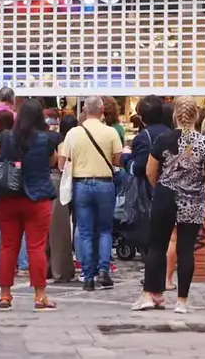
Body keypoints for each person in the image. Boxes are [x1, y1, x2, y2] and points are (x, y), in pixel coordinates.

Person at [132, 97, 205, 314]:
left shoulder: (163, 138)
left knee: (157, 246)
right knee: (186, 248)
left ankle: (153, 294)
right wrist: (196, 184)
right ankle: (182, 301)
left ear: (175, 115)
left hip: (165, 197)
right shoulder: (204, 142)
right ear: (196, 116)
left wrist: (162, 186)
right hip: (193, 199)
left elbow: (151, 170)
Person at [0, 99, 61, 311]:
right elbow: (54, 162)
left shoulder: (5, 137)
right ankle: (39, 296)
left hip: (8, 198)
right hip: (37, 200)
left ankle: (5, 295)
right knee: (36, 247)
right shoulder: (45, 140)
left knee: (8, 247)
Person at [58, 95, 123, 291]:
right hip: (104, 183)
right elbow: (118, 161)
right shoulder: (110, 132)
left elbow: (61, 163)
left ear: (84, 110)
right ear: (102, 109)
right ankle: (103, 270)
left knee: (84, 231)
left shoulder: (73, 133)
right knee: (104, 229)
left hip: (81, 185)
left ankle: (87, 275)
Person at [48, 115, 78, 283]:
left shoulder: (37, 135)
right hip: (57, 181)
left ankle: (43, 268)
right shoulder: (61, 140)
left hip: (36, 181)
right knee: (60, 229)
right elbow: (61, 162)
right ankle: (61, 271)